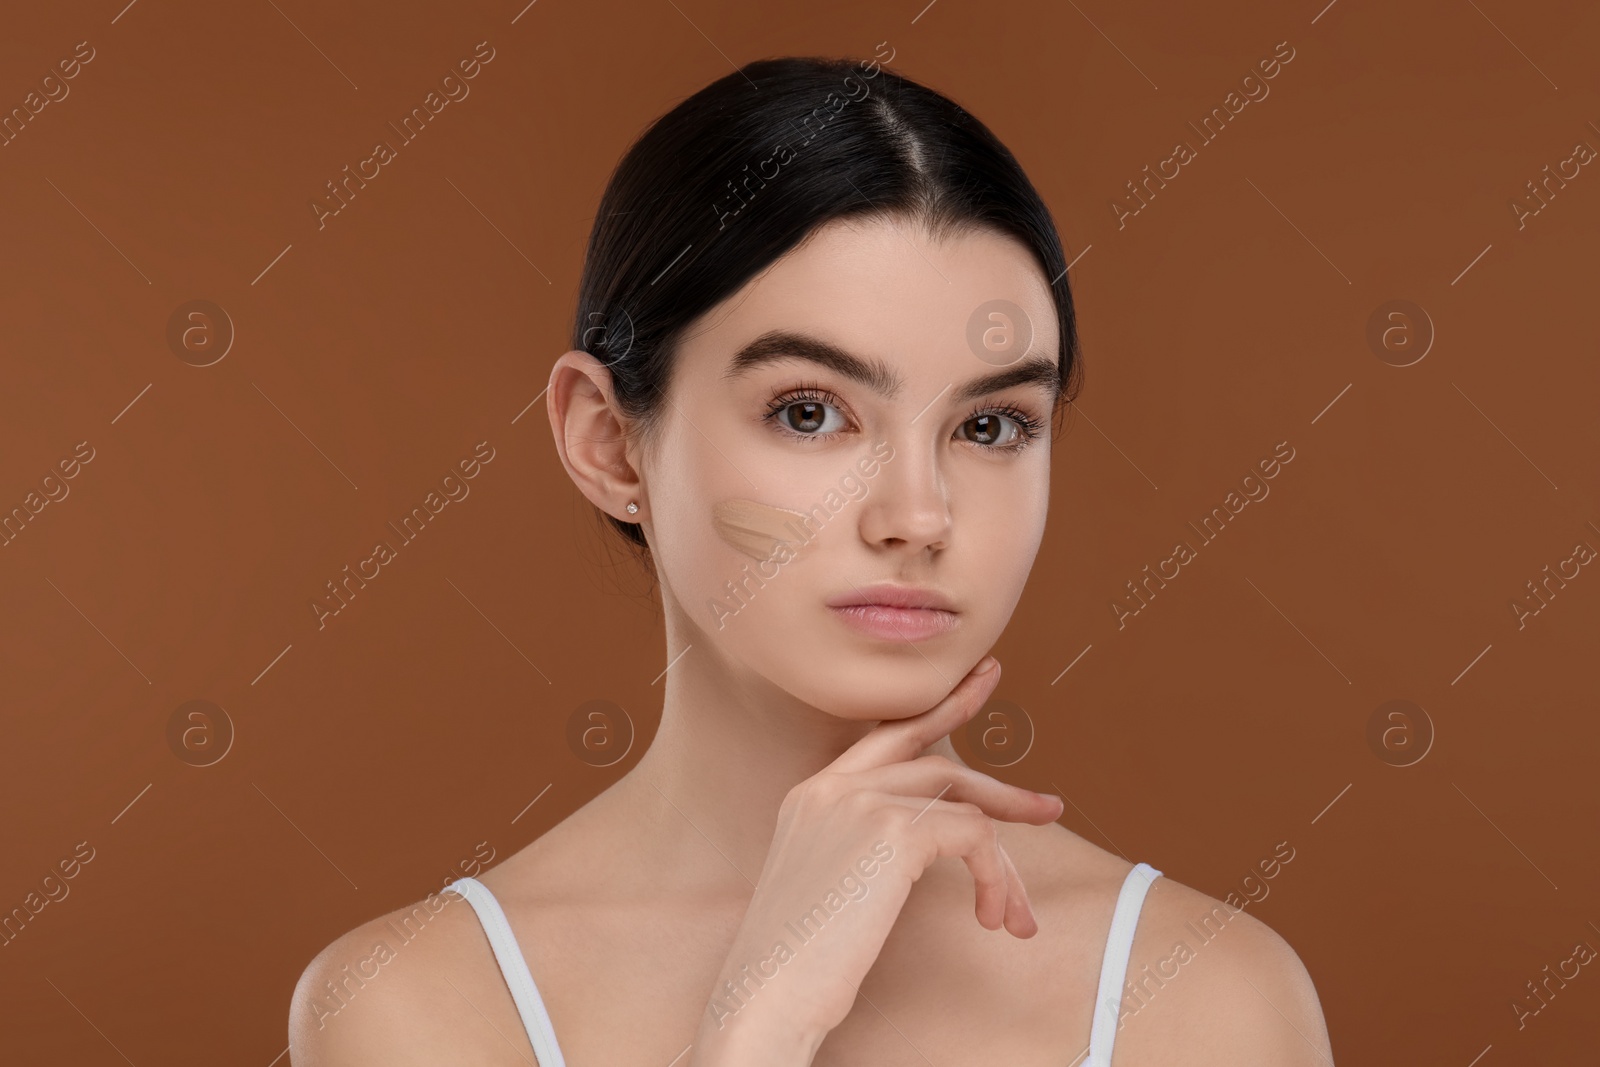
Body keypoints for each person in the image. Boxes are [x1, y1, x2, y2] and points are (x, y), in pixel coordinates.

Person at [290, 53, 1334, 1066]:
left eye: (991, 426)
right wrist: (757, 1023)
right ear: (608, 441)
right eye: (808, 411)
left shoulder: (1205, 994)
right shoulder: (417, 1005)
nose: (917, 516)